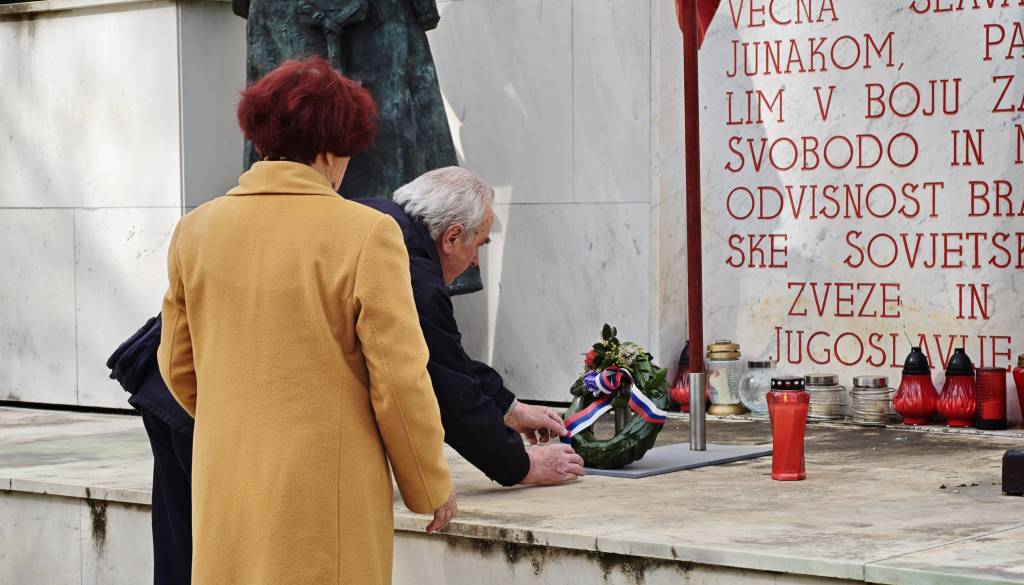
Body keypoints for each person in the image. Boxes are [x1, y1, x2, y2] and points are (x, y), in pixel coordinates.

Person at [157, 56, 454, 585]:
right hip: (325, 491)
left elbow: (178, 367)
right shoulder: (366, 233)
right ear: (329, 151)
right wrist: (429, 486)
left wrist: (243, 420)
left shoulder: (195, 231)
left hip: (228, 481)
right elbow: (399, 379)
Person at [359, 168, 586, 486]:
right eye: (478, 244)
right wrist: (519, 465)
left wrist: (509, 407)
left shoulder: (375, 218)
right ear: (451, 237)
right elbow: (447, 390)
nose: (476, 261)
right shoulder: (413, 274)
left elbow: (444, 355)